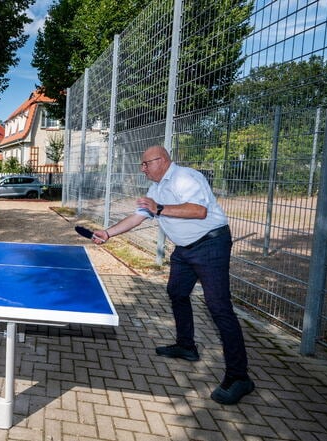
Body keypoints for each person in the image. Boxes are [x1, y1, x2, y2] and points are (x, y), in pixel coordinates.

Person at [92, 145, 254, 405]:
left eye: (146, 163)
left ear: (163, 160)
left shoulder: (186, 177)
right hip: (185, 250)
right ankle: (186, 346)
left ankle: (239, 377)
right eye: (142, 164)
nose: (142, 168)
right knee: (177, 293)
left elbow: (198, 210)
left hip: (210, 244)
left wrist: (160, 208)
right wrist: (108, 233)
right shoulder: (156, 189)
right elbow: (138, 217)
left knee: (219, 308)